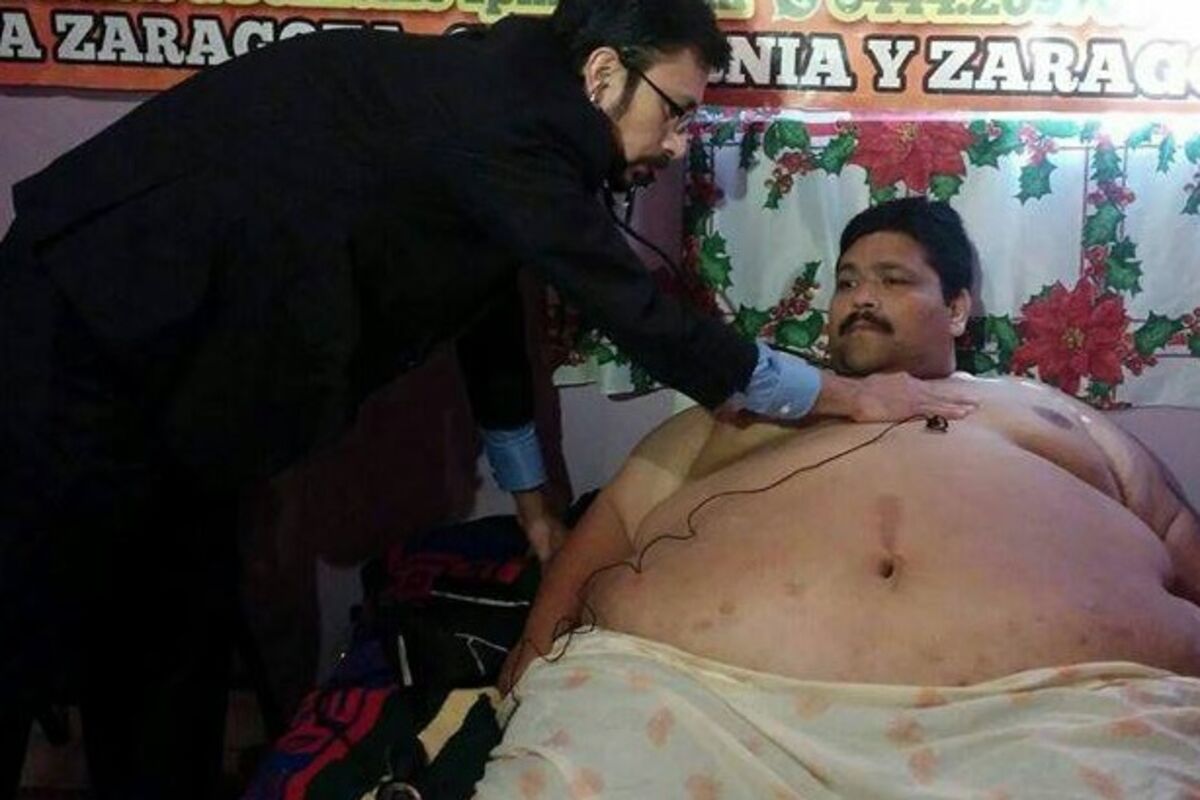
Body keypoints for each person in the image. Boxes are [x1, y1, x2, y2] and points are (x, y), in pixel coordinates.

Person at [0, 2, 977, 795]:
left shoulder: (508, 118)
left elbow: (485, 306)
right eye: (676, 111)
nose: (680, 146)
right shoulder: (502, 117)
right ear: (604, 75)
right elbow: (643, 316)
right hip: (90, 326)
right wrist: (840, 395)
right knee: (34, 623)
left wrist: (533, 502)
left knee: (169, 641)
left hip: (175, 380)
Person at [483, 198, 1200, 797]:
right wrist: (529, 667)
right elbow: (613, 522)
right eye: (847, 281)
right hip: (699, 707)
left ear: (956, 309)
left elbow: (1173, 531)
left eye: (893, 279)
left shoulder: (1047, 412)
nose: (861, 297)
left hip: (1065, 718)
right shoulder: (740, 413)